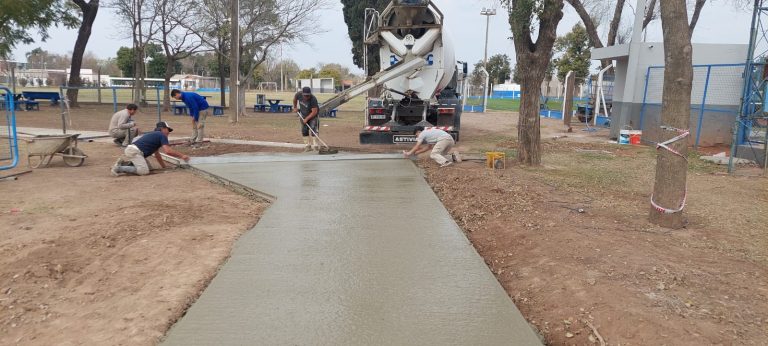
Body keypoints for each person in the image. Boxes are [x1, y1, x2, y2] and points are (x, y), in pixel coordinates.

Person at [111, 121, 189, 176]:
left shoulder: (156, 135)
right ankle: (118, 168)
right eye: (168, 130)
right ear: (163, 129)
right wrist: (182, 156)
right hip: (134, 152)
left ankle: (124, 163)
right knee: (143, 171)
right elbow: (168, 151)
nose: (169, 132)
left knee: (149, 169)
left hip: (133, 151)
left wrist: (164, 167)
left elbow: (157, 154)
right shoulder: (161, 135)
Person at [292, 86, 320, 152]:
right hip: (303, 115)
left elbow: (314, 111)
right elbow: (295, 99)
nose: (307, 97)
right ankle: (307, 146)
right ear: (302, 94)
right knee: (304, 130)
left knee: (314, 130)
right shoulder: (298, 94)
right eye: (305, 96)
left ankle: (316, 146)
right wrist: (295, 107)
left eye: (308, 95)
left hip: (313, 116)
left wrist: (307, 119)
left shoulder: (313, 99)